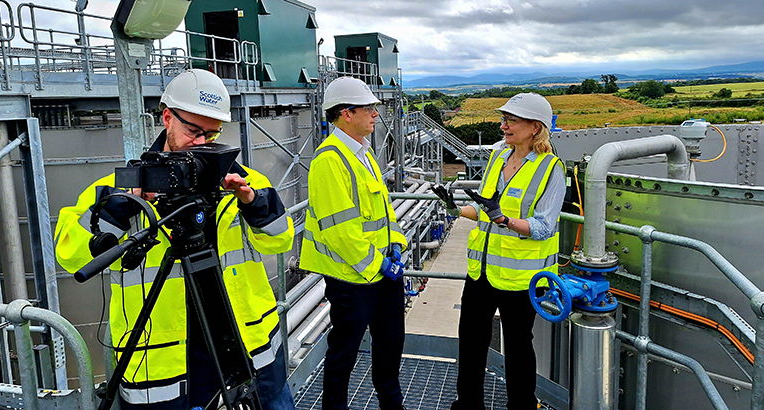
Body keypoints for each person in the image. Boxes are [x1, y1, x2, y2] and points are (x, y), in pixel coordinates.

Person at [55, 69, 296, 410]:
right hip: (165, 367)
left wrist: (253, 203)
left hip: (248, 351)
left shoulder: (242, 179)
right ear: (167, 117)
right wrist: (121, 208)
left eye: (211, 134)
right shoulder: (123, 187)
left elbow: (281, 239)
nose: (201, 143)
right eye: (193, 130)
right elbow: (71, 256)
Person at [432, 93, 566, 409]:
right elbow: (485, 210)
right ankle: (468, 404)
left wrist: (505, 220)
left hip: (521, 278)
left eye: (512, 120)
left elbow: (544, 227)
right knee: (471, 342)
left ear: (535, 127)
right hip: (481, 272)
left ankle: (521, 405)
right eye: (503, 119)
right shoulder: (497, 158)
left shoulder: (551, 169)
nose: (503, 125)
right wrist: (455, 210)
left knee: (519, 347)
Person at [299, 76, 408, 410]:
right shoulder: (329, 161)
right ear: (346, 113)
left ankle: (393, 406)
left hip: (383, 273)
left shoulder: (363, 153)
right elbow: (339, 231)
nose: (376, 114)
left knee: (390, 346)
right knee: (343, 353)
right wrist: (380, 263)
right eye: (369, 108)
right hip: (352, 280)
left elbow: (384, 212)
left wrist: (398, 244)